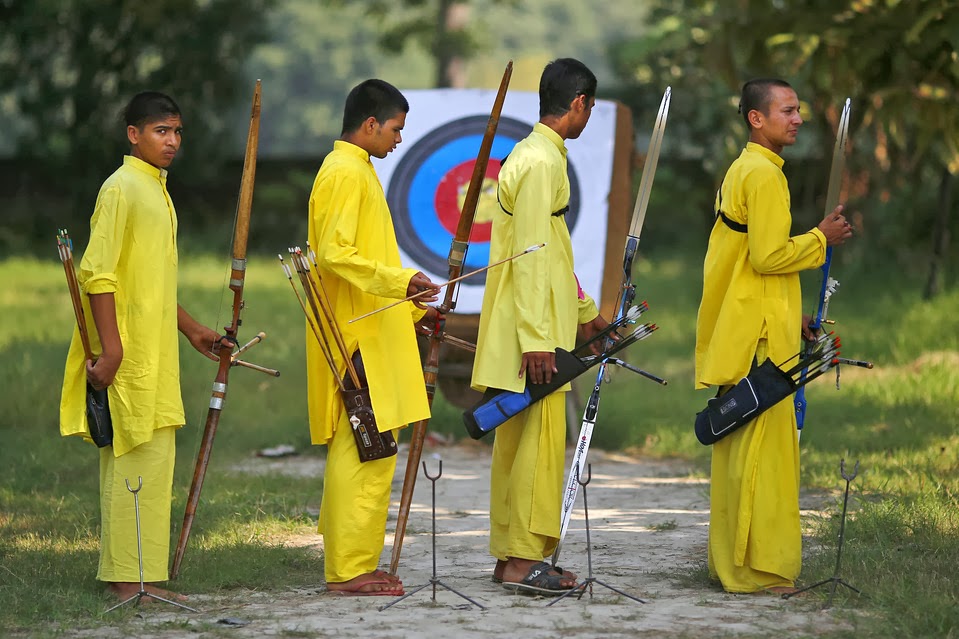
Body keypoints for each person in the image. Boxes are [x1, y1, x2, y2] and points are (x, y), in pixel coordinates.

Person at [59, 92, 227, 604]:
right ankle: (123, 579)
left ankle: (144, 576)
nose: (172, 141)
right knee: (130, 457)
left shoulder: (157, 189)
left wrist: (192, 329)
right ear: (134, 134)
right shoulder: (121, 188)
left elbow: (150, 283)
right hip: (128, 351)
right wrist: (111, 350)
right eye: (161, 131)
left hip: (157, 352)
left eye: (177, 132)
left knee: (154, 460)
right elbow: (98, 275)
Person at [694, 78, 853, 594]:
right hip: (758, 339)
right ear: (756, 118)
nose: (798, 118)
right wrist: (820, 238)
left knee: (740, 449)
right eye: (787, 110)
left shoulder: (745, 168)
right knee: (762, 457)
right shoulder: (763, 175)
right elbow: (767, 257)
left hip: (751, 322)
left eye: (798, 109)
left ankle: (732, 565)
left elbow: (749, 261)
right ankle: (757, 572)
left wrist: (793, 315)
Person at [470, 58, 611, 595]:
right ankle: (524, 560)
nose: (588, 116)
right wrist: (536, 341)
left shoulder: (539, 156)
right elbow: (531, 258)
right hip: (532, 331)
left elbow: (553, 252)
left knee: (519, 443)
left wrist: (587, 314)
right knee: (535, 447)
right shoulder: (539, 162)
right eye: (589, 107)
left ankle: (512, 556)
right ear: (578, 103)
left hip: (538, 323)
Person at [306, 79, 441, 597]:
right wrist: (400, 283)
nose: (399, 140)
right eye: (395, 129)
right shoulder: (343, 171)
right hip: (355, 334)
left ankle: (354, 561)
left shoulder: (357, 169)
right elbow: (334, 253)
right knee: (363, 445)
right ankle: (348, 570)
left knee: (373, 446)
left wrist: (410, 308)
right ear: (369, 124)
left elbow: (368, 258)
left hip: (373, 325)